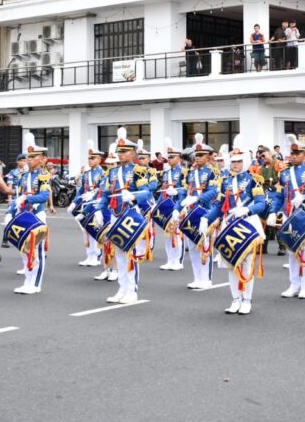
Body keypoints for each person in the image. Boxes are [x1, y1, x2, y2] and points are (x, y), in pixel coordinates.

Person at [205, 136, 267, 314]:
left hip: (247, 224)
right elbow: (219, 206)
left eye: (239, 161)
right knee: (230, 264)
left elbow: (261, 204)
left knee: (246, 264)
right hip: (229, 224)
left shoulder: (254, 180)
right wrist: (206, 219)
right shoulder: (225, 181)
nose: (235, 165)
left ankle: (247, 299)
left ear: (245, 162)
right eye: (233, 161)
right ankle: (235, 299)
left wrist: (247, 210)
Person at [92, 128, 153, 303]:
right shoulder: (112, 172)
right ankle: (122, 288)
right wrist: (99, 209)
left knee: (130, 253)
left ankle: (131, 290)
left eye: (125, 151)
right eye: (119, 151)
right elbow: (106, 194)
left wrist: (133, 196)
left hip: (130, 214)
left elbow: (147, 192)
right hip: (115, 214)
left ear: (132, 153)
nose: (121, 154)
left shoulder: (138, 170)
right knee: (118, 252)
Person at [266, 135, 305, 300]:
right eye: (292, 153)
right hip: (288, 214)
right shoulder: (284, 173)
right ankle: (294, 284)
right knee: (291, 251)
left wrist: (304, 198)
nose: (294, 156)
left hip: (304, 214)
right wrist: (273, 211)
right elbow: (279, 196)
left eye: (297, 153)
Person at [175, 133, 219, 290]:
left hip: (205, 211)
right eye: (196, 155)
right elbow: (184, 192)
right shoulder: (190, 173)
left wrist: (197, 198)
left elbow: (214, 191)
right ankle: (197, 277)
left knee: (204, 245)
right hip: (190, 212)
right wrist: (177, 208)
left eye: (201, 155)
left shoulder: (213, 172)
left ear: (208, 157)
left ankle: (206, 278)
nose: (198, 158)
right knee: (192, 246)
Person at [11, 132, 53, 295]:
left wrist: (27, 198)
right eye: (28, 156)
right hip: (23, 215)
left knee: (37, 252)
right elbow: (17, 196)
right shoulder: (23, 176)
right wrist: (10, 211)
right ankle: (27, 280)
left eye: (33, 157)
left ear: (42, 160)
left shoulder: (44, 175)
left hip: (37, 215)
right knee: (25, 249)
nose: (29, 159)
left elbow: (44, 196)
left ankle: (35, 284)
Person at [73, 141, 107, 268]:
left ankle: (97, 255)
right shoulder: (86, 173)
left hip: (96, 204)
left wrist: (93, 194)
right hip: (85, 204)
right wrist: (74, 202)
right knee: (85, 230)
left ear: (99, 159)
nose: (90, 160)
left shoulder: (103, 173)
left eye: (93, 158)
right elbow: (81, 189)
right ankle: (89, 255)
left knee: (95, 228)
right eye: (89, 158)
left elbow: (103, 189)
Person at [157, 140, 187, 270]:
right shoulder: (166, 173)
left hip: (178, 204)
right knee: (167, 233)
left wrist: (177, 192)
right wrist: (157, 205)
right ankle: (170, 259)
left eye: (172, 157)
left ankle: (178, 261)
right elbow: (163, 190)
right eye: (168, 157)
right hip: (166, 205)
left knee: (177, 233)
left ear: (179, 158)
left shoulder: (184, 172)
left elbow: (186, 189)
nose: (169, 159)